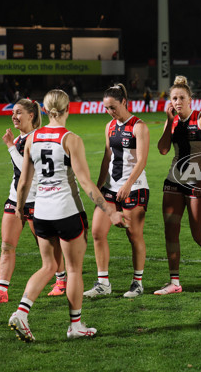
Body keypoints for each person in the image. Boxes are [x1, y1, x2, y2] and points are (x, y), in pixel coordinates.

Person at [8, 89, 127, 342]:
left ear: (45, 110)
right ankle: (75, 325)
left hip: (41, 212)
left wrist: (19, 208)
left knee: (48, 266)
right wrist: (110, 211)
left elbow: (24, 182)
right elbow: (86, 183)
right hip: (66, 212)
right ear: (68, 109)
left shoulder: (33, 138)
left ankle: (21, 311)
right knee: (73, 270)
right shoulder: (71, 139)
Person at [0, 99, 67, 304]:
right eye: (13, 113)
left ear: (31, 116)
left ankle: (61, 282)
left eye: (18, 113)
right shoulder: (20, 139)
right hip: (15, 199)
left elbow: (30, 171)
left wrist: (10, 146)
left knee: (46, 247)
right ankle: (1, 291)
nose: (14, 116)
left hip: (38, 201)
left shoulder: (37, 139)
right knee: (7, 245)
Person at [155, 76, 201, 294]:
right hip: (174, 180)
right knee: (171, 232)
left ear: (190, 99)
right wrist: (168, 122)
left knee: (198, 234)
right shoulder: (173, 121)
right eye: (174, 98)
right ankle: (175, 282)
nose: (177, 102)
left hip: (198, 180)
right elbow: (163, 149)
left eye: (181, 98)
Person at [83, 84, 150, 298]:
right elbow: (107, 157)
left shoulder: (139, 127)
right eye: (106, 108)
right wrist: (100, 185)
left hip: (135, 187)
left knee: (134, 235)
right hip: (111, 188)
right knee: (97, 232)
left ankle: (137, 283)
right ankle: (103, 283)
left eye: (112, 107)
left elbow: (142, 160)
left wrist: (128, 184)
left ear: (123, 102)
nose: (110, 111)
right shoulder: (109, 126)